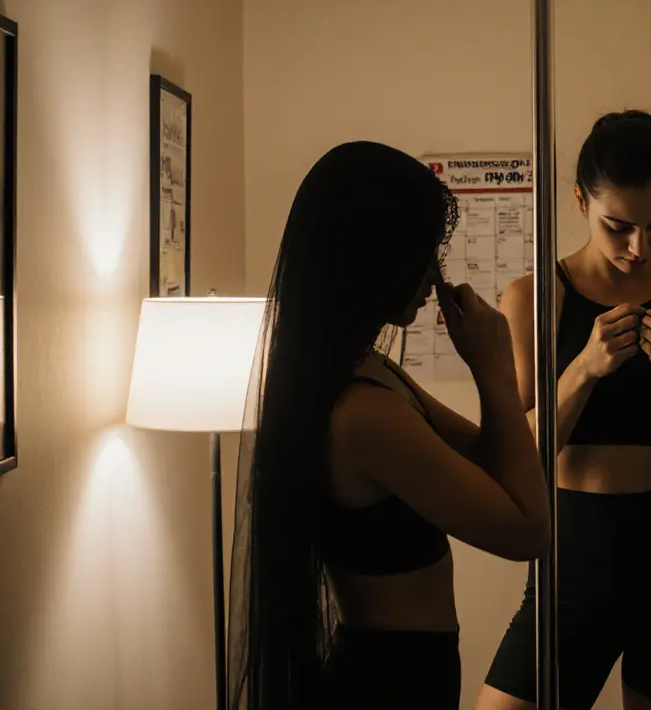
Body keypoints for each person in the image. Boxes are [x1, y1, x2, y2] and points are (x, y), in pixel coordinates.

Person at [226, 142, 551, 710]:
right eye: (421, 253)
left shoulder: (366, 369)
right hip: (389, 678)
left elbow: (486, 459)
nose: (434, 273)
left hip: (399, 665)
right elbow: (527, 532)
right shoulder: (364, 417)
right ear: (374, 258)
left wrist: (492, 368)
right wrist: (496, 373)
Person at [479, 110, 651, 710]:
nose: (640, 247)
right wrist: (583, 368)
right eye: (619, 226)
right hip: (572, 550)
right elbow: (517, 459)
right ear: (580, 201)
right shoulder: (532, 298)